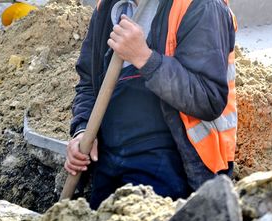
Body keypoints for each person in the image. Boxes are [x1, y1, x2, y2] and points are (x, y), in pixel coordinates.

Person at [65, 0, 237, 209]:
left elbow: (208, 98)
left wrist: (144, 58)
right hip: (109, 159)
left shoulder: (200, 6)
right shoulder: (109, 6)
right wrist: (82, 131)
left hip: (174, 163)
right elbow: (88, 82)